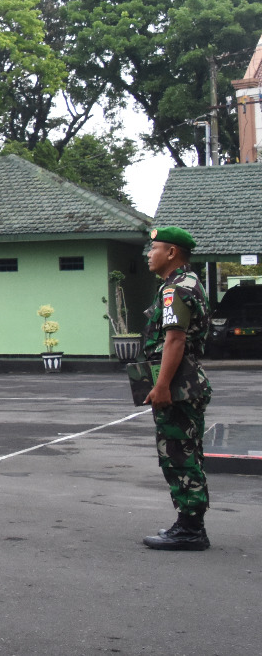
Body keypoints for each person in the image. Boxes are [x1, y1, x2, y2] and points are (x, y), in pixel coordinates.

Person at [139, 226, 214, 551]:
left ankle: (190, 529)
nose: (148, 254)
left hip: (179, 384)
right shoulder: (189, 283)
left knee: (178, 453)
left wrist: (162, 386)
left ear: (171, 252)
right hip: (187, 381)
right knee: (187, 452)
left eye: (154, 248)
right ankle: (190, 523)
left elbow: (175, 339)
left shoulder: (175, 290)